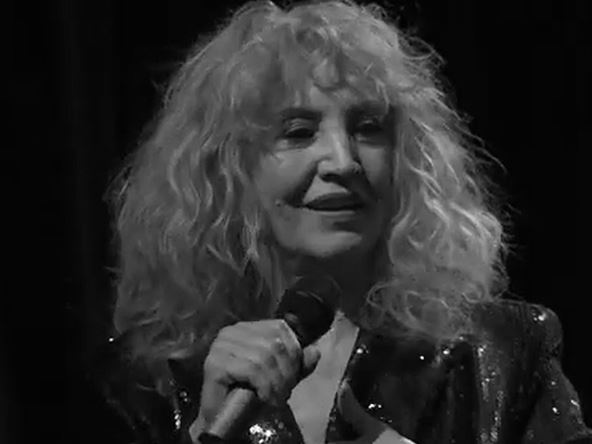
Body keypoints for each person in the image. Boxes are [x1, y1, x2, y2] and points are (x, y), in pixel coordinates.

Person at [93, 1, 591, 443]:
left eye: (368, 129)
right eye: (298, 132)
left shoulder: (502, 353)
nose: (343, 161)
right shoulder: (153, 381)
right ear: (228, 167)